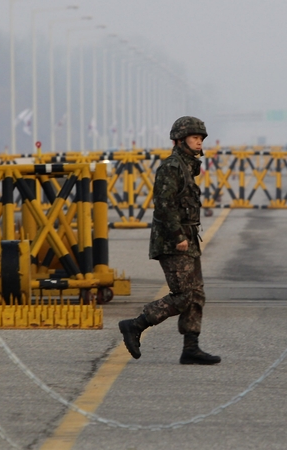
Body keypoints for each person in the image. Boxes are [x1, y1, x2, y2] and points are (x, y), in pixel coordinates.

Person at [118, 116, 221, 365]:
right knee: (184, 295)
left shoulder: (187, 167)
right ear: (180, 140)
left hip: (188, 239)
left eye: (200, 138)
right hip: (173, 241)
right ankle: (135, 325)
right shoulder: (172, 167)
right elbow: (164, 205)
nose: (199, 142)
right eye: (194, 138)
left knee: (196, 294)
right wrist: (177, 236)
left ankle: (191, 348)